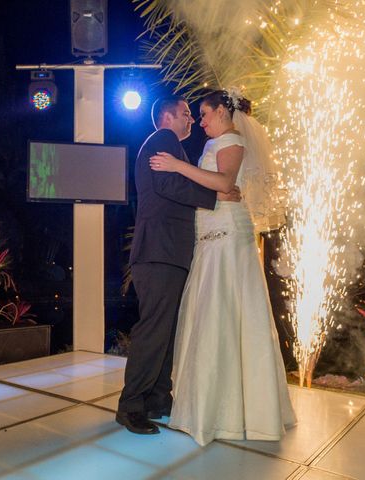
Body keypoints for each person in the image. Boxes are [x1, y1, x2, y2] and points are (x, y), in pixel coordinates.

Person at [149, 89, 297, 446]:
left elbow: (225, 183)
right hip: (213, 231)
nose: (200, 121)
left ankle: (221, 414)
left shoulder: (231, 140)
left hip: (226, 235)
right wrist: (211, 188)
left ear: (222, 111)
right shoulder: (220, 142)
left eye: (204, 114)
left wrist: (177, 166)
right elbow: (218, 187)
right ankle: (213, 406)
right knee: (213, 314)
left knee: (221, 313)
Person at [116, 95, 241, 435]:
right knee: (154, 330)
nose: (192, 121)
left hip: (166, 252)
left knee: (166, 331)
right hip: (159, 251)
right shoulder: (163, 139)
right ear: (168, 117)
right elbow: (170, 185)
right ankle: (131, 407)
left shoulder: (169, 145)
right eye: (187, 114)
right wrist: (217, 196)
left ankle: (158, 399)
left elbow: (174, 184)